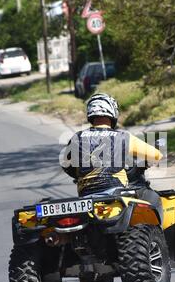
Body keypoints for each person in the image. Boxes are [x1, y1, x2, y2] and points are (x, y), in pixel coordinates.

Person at [62, 93, 164, 224]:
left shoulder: (77, 137)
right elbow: (156, 155)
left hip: (85, 195)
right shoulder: (122, 136)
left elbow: (66, 165)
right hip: (115, 193)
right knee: (153, 198)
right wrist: (145, 162)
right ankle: (157, 238)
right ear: (112, 112)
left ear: (90, 114)